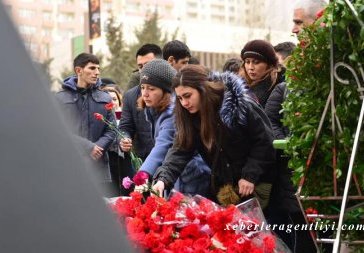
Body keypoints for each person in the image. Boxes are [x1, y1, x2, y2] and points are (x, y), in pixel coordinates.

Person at [151, 64, 276, 209]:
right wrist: (162, 180)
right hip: (227, 190)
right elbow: (180, 150)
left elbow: (265, 141)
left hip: (259, 185)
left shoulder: (240, 105)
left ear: (203, 90)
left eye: (188, 96)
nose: (184, 103)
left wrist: (250, 176)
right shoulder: (190, 116)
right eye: (179, 98)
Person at [121, 60, 211, 196]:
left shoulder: (172, 113)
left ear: (166, 91)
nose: (144, 93)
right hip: (172, 175)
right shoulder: (153, 109)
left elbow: (163, 144)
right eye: (143, 87)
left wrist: (144, 173)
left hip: (191, 176)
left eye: (151, 89)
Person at [55, 53, 116, 191]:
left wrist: (96, 149)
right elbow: (58, 130)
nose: (97, 73)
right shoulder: (60, 98)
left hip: (98, 168)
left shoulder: (105, 98)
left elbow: (112, 130)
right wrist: (88, 147)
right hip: (69, 166)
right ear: (78, 70)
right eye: (92, 68)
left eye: (98, 69)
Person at [118, 44, 162, 177]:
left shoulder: (175, 92)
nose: (143, 70)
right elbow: (125, 126)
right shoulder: (131, 95)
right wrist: (124, 138)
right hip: (143, 161)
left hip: (170, 160)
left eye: (147, 65)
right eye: (140, 66)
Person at [238, 39, 285, 108]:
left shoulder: (280, 86)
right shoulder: (239, 86)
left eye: (256, 62)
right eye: (247, 62)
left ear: (269, 64)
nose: (251, 67)